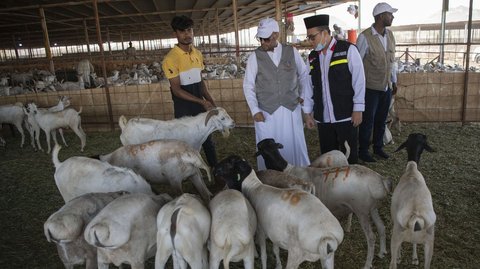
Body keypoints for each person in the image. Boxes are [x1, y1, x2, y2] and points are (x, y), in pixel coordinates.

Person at [243, 18, 312, 170]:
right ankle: (271, 181)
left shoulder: (291, 51)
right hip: (267, 112)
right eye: (261, 39)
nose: (263, 43)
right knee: (269, 147)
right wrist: (255, 110)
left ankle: (299, 177)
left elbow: (304, 75)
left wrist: (303, 94)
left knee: (294, 144)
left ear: (276, 35)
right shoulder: (254, 57)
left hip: (290, 110)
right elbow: (248, 85)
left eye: (266, 39)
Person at [302, 14, 365, 164]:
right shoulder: (312, 57)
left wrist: (358, 109)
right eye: (309, 38)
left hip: (346, 116)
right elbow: (308, 86)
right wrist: (307, 114)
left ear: (324, 33)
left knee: (348, 157)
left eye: (312, 37)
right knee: (328, 158)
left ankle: (350, 187)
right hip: (323, 119)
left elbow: (359, 81)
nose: (310, 42)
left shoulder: (348, 50)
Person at [161, 15, 218, 167]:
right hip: (183, 108)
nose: (187, 34)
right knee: (187, 144)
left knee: (207, 139)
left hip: (200, 105)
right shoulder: (170, 59)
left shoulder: (197, 54)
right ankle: (192, 174)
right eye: (182, 31)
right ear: (175, 34)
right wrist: (202, 101)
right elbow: (177, 90)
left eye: (189, 30)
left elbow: (200, 82)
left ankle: (216, 171)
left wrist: (211, 101)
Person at [356, 2, 398, 162]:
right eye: (390, 14)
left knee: (381, 119)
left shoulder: (390, 35)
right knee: (368, 120)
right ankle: (363, 151)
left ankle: (378, 147)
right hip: (370, 87)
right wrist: (357, 87)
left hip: (386, 86)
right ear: (381, 17)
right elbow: (357, 63)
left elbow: (392, 61)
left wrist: (394, 81)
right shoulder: (364, 37)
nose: (392, 16)